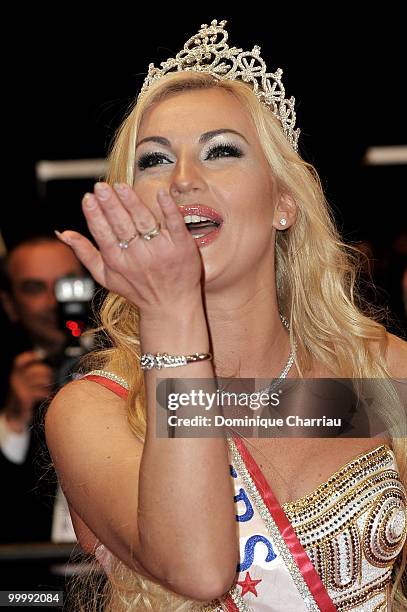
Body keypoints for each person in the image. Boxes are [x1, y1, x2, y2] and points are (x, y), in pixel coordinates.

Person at [45, 19, 407, 611]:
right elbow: (199, 570)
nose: (184, 179)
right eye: (154, 161)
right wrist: (170, 310)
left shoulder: (376, 373)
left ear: (283, 202)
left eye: (221, 151)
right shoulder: (97, 411)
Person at [0, 235, 84, 543]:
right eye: (35, 288)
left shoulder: (136, 356)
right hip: (29, 570)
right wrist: (13, 420)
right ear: (10, 304)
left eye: (67, 284)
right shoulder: (14, 375)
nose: (53, 302)